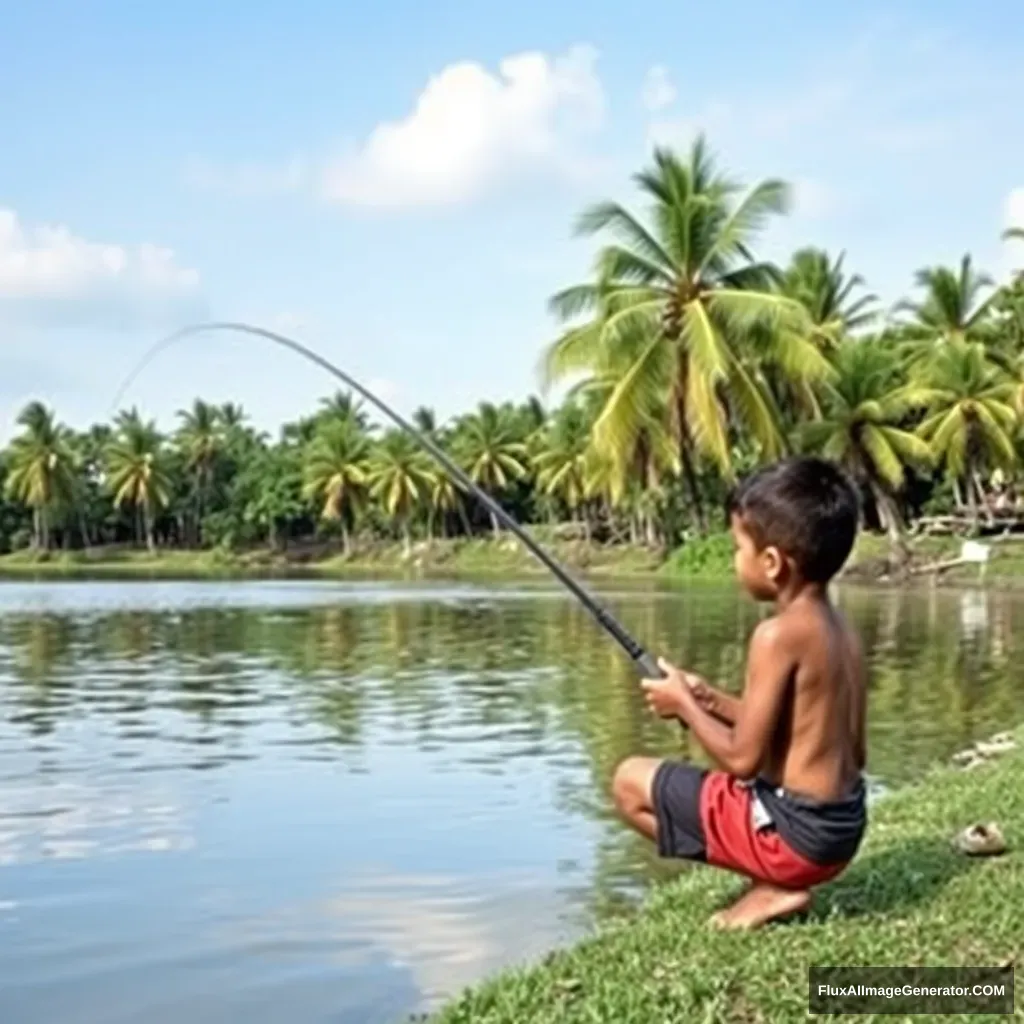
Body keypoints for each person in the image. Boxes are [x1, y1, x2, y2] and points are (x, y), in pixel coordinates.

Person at [612, 456, 868, 930]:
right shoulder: (842, 632)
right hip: (842, 832)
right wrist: (709, 698)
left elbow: (743, 759)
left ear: (771, 563)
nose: (734, 560)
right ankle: (776, 877)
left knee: (629, 782)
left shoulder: (776, 635)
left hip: (795, 839)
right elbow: (848, 748)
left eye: (737, 548)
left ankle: (773, 885)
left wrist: (683, 706)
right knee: (676, 782)